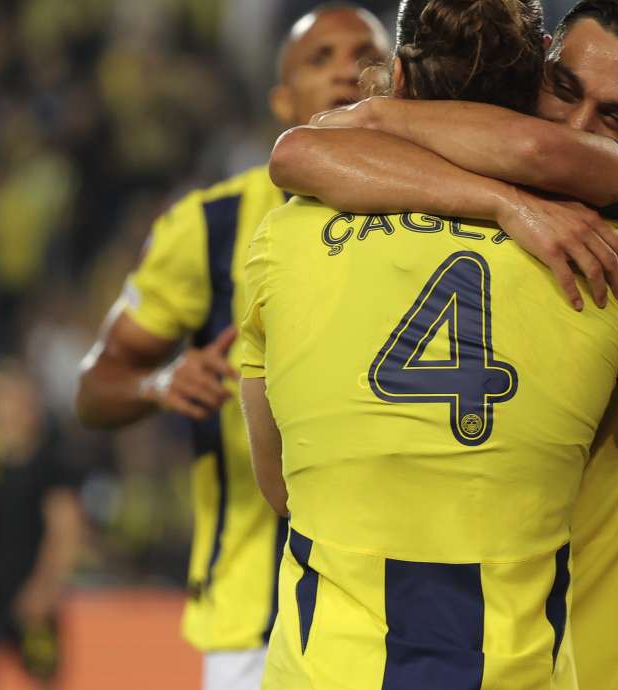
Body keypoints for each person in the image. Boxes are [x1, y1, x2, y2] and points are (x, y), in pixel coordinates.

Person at [239, 0, 618, 687]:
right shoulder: (498, 211)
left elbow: (541, 152)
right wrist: (503, 203)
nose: (581, 126)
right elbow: (299, 154)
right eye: (565, 90)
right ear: (538, 62)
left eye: (617, 120)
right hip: (530, 638)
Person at [73, 7, 392, 689]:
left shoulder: (445, 212)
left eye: (366, 53)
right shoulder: (211, 227)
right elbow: (95, 386)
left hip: (408, 600)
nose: (344, 68)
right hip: (259, 613)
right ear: (282, 100)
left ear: (399, 81)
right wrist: (158, 384)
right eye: (319, 58)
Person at [0, 367, 85, 685]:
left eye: (17, 398)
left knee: (43, 676)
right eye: (1, 397)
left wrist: (45, 588)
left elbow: (66, 530)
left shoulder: (50, 464)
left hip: (31, 597)